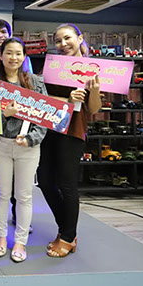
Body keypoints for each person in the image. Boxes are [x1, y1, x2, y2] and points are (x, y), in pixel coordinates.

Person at [38, 23, 101, 257]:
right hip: (49, 129)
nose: (63, 44)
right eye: (58, 40)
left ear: (79, 38)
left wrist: (94, 90)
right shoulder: (52, 66)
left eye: (67, 38)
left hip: (73, 131)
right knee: (45, 181)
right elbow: (40, 97)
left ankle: (67, 236)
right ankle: (66, 230)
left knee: (66, 184)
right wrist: (66, 98)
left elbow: (93, 109)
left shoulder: (92, 69)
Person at [0, 38, 48, 263]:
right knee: (2, 194)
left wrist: (31, 139)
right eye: (9, 53)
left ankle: (21, 241)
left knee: (24, 196)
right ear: (0, 56)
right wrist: (5, 114)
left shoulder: (35, 82)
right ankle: (1, 237)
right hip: (0, 145)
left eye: (18, 53)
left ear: (24, 57)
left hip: (28, 148)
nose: (14, 57)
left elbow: (45, 117)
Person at [0, 19, 33, 230]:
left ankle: (18, 212)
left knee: (18, 171)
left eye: (3, 32)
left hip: (19, 125)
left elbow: (31, 90)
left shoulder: (23, 60)